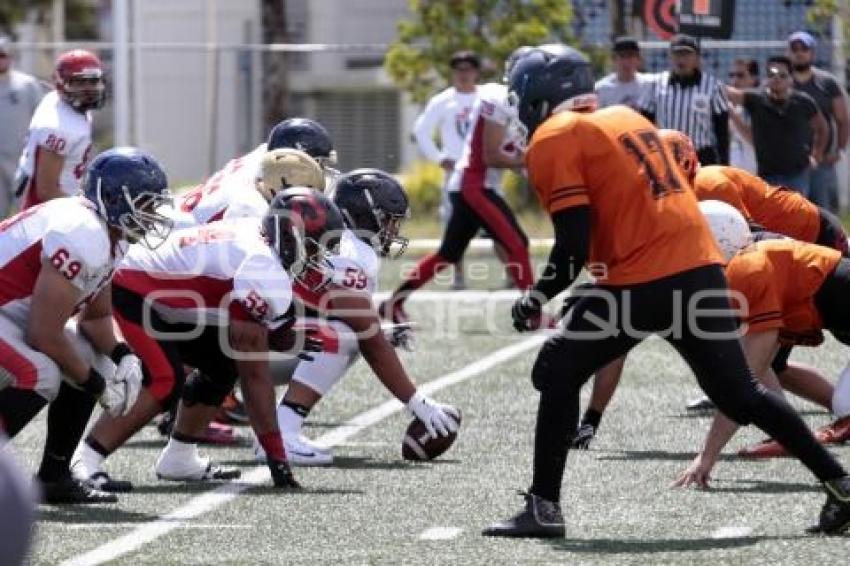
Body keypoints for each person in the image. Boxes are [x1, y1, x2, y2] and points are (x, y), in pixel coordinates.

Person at [483, 44, 850, 539]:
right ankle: (840, 481)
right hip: (698, 268)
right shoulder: (625, 118)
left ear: (538, 94)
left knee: (556, 369)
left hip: (644, 278)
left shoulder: (556, 135)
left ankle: (543, 507)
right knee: (741, 392)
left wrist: (537, 294)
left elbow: (572, 242)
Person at [70, 189, 339, 491]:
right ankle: (85, 460)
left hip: (160, 295)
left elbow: (233, 319)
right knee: (166, 379)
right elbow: (255, 374)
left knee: (222, 362)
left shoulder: (261, 239)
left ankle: (180, 459)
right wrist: (277, 458)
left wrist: (273, 334)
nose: (320, 260)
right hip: (128, 287)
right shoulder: (262, 267)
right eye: (316, 248)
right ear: (290, 239)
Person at [0, 147, 172, 503]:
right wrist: (95, 385)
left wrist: (124, 356)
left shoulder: (108, 234)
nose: (151, 214)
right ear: (112, 198)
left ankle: (54, 477)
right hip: (13, 317)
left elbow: (95, 317)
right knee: (42, 373)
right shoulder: (82, 231)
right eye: (143, 203)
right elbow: (43, 334)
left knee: (91, 356)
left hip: (11, 316)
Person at [254, 169, 450, 465]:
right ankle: (282, 431)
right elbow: (363, 332)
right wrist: (417, 402)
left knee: (350, 332)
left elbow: (321, 308)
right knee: (344, 337)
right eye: (389, 221)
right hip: (246, 343)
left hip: (250, 335)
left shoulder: (341, 244)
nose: (393, 232)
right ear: (366, 215)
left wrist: (375, 332)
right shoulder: (351, 252)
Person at [675, 210, 850, 487]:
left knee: (846, 404)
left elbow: (746, 381)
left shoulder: (748, 268)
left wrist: (707, 456)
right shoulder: (753, 257)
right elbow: (762, 367)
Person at [380, 65, 533, 324]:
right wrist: (526, 161)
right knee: (517, 244)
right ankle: (534, 314)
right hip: (475, 185)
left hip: (468, 185)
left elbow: (507, 154)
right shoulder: (497, 97)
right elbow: (492, 155)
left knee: (448, 254)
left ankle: (392, 302)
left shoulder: (505, 100)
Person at [412, 50, 481, 289]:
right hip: (456, 177)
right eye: (458, 69)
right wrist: (439, 157)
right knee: (455, 228)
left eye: (468, 69)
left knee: (499, 225)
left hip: (485, 173)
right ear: (453, 73)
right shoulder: (443, 100)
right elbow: (420, 130)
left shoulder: (486, 98)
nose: (463, 74)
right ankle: (459, 277)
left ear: (476, 72)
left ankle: (513, 276)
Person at [15, 49, 104, 209]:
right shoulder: (59, 128)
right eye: (80, 82)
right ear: (61, 84)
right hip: (49, 211)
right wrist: (87, 207)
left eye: (93, 81)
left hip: (62, 198)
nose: (89, 89)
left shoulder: (58, 101)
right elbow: (46, 191)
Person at [726, 55, 827, 194]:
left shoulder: (803, 101)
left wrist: (816, 155)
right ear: (766, 78)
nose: (777, 78)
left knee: (796, 213)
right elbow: (728, 93)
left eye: (782, 75)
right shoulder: (756, 99)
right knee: (769, 215)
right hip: (768, 175)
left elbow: (822, 128)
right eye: (772, 74)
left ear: (791, 79)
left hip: (797, 174)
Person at [639, 33, 730, 165]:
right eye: (677, 54)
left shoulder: (713, 86)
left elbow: (722, 131)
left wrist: (724, 164)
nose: (681, 59)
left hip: (701, 156)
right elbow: (645, 124)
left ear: (697, 57)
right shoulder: (655, 84)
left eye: (687, 54)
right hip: (666, 155)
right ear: (670, 56)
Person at [789, 31, 849, 212]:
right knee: (793, 215)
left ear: (812, 53)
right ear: (788, 53)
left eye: (804, 48)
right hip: (790, 164)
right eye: (795, 48)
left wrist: (839, 150)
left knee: (825, 215)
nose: (799, 52)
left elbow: (842, 119)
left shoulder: (828, 82)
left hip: (822, 162)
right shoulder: (782, 83)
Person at [0, 37, 44, 218]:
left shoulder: (27, 85)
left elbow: (43, 121)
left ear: (10, 57)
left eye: (2, 55)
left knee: (26, 215)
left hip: (23, 161)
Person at [594, 36, 653, 110]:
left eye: (630, 56)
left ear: (638, 60)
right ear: (614, 60)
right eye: (622, 56)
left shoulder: (649, 85)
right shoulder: (601, 88)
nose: (626, 62)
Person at [727, 58, 759, 173]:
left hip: (756, 174)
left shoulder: (760, 104)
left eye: (740, 75)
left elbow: (754, 139)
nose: (735, 80)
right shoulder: (731, 105)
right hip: (734, 174)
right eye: (732, 75)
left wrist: (732, 113)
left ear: (754, 78)